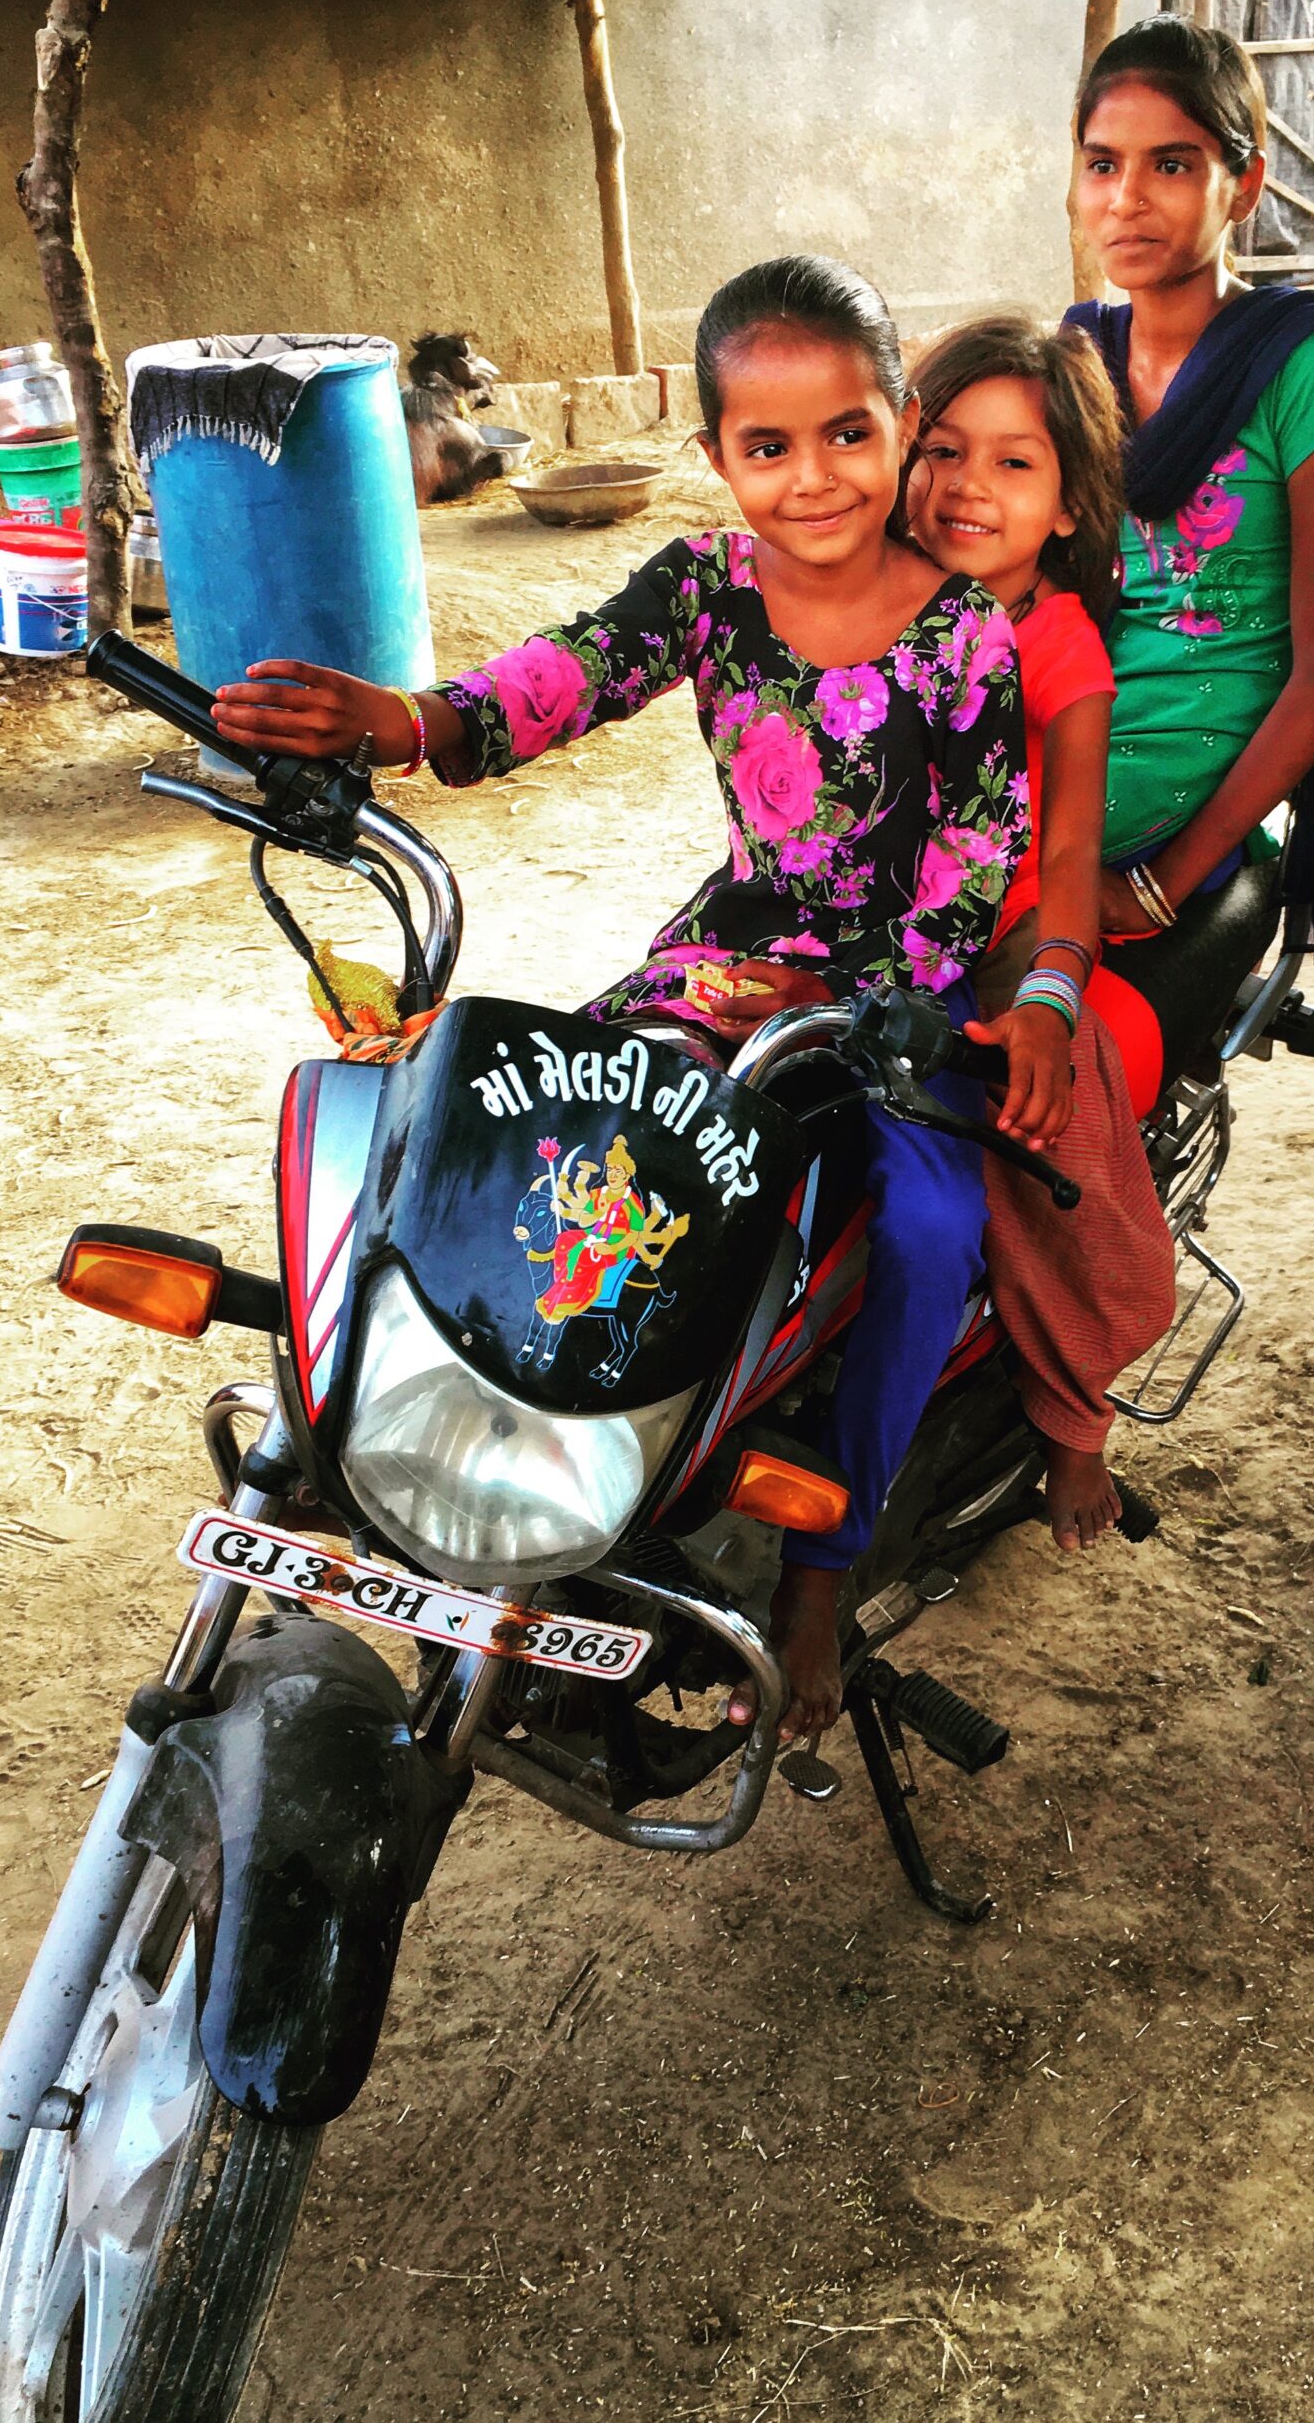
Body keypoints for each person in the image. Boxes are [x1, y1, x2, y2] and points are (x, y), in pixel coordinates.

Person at [209, 255, 1028, 1749]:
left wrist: (868, 993)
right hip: (721, 963)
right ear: (717, 458)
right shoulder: (710, 589)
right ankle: (506, 1466)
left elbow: (978, 860)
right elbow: (564, 675)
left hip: (894, 1003)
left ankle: (822, 1578)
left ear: (903, 425)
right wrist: (407, 722)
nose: (814, 477)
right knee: (550, 1139)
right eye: (766, 447)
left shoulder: (969, 633)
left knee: (925, 1234)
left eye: (848, 433)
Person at [903, 316, 1176, 1551]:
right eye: (944, 448)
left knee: (1040, 1112)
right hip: (855, 915)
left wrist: (1046, 1003)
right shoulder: (862, 588)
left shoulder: (1054, 645)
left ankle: (1070, 1415)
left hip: (1005, 923)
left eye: (1014, 463)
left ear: (1067, 508)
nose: (968, 485)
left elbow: (1063, 856)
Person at [1066, 12, 1314, 999]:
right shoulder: (1075, 353)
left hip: (1181, 772)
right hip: (1066, 721)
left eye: (1170, 165)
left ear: (1240, 185)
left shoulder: (1301, 358)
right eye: (1099, 164)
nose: (1125, 199)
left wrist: (1161, 883)